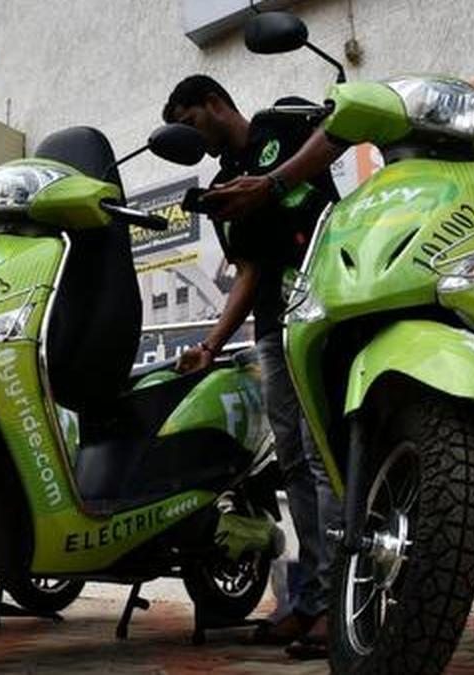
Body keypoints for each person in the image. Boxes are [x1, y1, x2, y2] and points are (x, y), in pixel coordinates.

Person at [162, 75, 341, 649]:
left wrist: (271, 183)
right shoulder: (222, 189)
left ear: (215, 104)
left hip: (325, 308)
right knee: (294, 463)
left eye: (191, 122)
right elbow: (248, 272)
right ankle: (312, 600)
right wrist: (211, 345)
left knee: (324, 455)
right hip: (273, 327)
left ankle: (341, 601)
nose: (192, 138)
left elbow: (337, 133)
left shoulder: (282, 123)